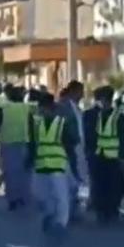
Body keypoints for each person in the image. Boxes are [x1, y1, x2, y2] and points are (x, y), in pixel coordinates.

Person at [29, 92, 79, 238]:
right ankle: (50, 214)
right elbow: (32, 143)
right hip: (41, 164)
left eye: (42, 108)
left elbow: (71, 141)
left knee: (61, 195)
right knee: (41, 194)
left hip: (57, 164)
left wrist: (71, 162)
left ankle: (61, 223)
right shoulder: (36, 122)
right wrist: (30, 159)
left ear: (49, 107)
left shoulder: (61, 122)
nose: (40, 111)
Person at [0, 85, 33, 211]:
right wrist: (33, 145)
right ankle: (22, 197)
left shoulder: (4, 109)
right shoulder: (26, 109)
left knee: (10, 173)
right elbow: (31, 127)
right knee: (22, 172)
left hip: (7, 143)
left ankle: (12, 199)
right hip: (23, 142)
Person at [85, 85, 124, 223]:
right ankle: (103, 210)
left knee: (112, 185)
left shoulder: (116, 116)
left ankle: (110, 210)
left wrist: (122, 155)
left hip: (112, 156)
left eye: (100, 99)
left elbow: (123, 135)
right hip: (100, 154)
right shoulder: (97, 115)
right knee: (101, 184)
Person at [58, 81, 87, 217]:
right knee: (70, 178)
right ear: (74, 91)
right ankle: (68, 209)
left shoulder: (76, 107)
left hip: (77, 147)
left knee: (76, 177)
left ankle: (72, 206)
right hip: (68, 147)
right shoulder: (64, 107)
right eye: (81, 91)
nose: (83, 94)